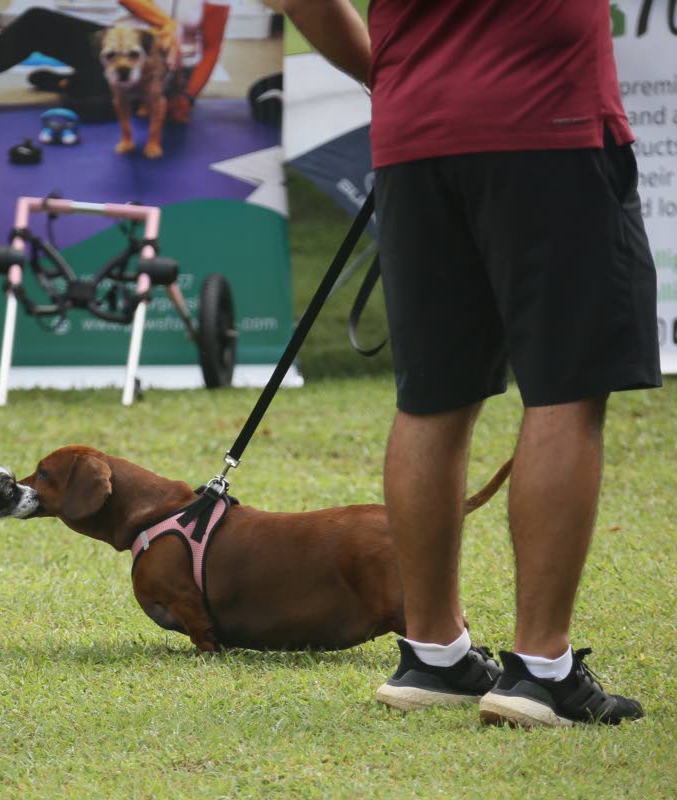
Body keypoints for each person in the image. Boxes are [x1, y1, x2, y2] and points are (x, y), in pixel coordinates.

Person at [283, 0, 661, 727]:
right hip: (548, 125)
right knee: (567, 392)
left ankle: (433, 653)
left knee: (433, 398)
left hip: (415, 135)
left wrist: (392, 77)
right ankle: (542, 671)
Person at [0, 0, 229, 124]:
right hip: (115, 45)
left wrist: (188, 97)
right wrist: (166, 22)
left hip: (163, 71)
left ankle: (68, 82)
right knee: (36, 20)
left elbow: (213, 47)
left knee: (91, 105)